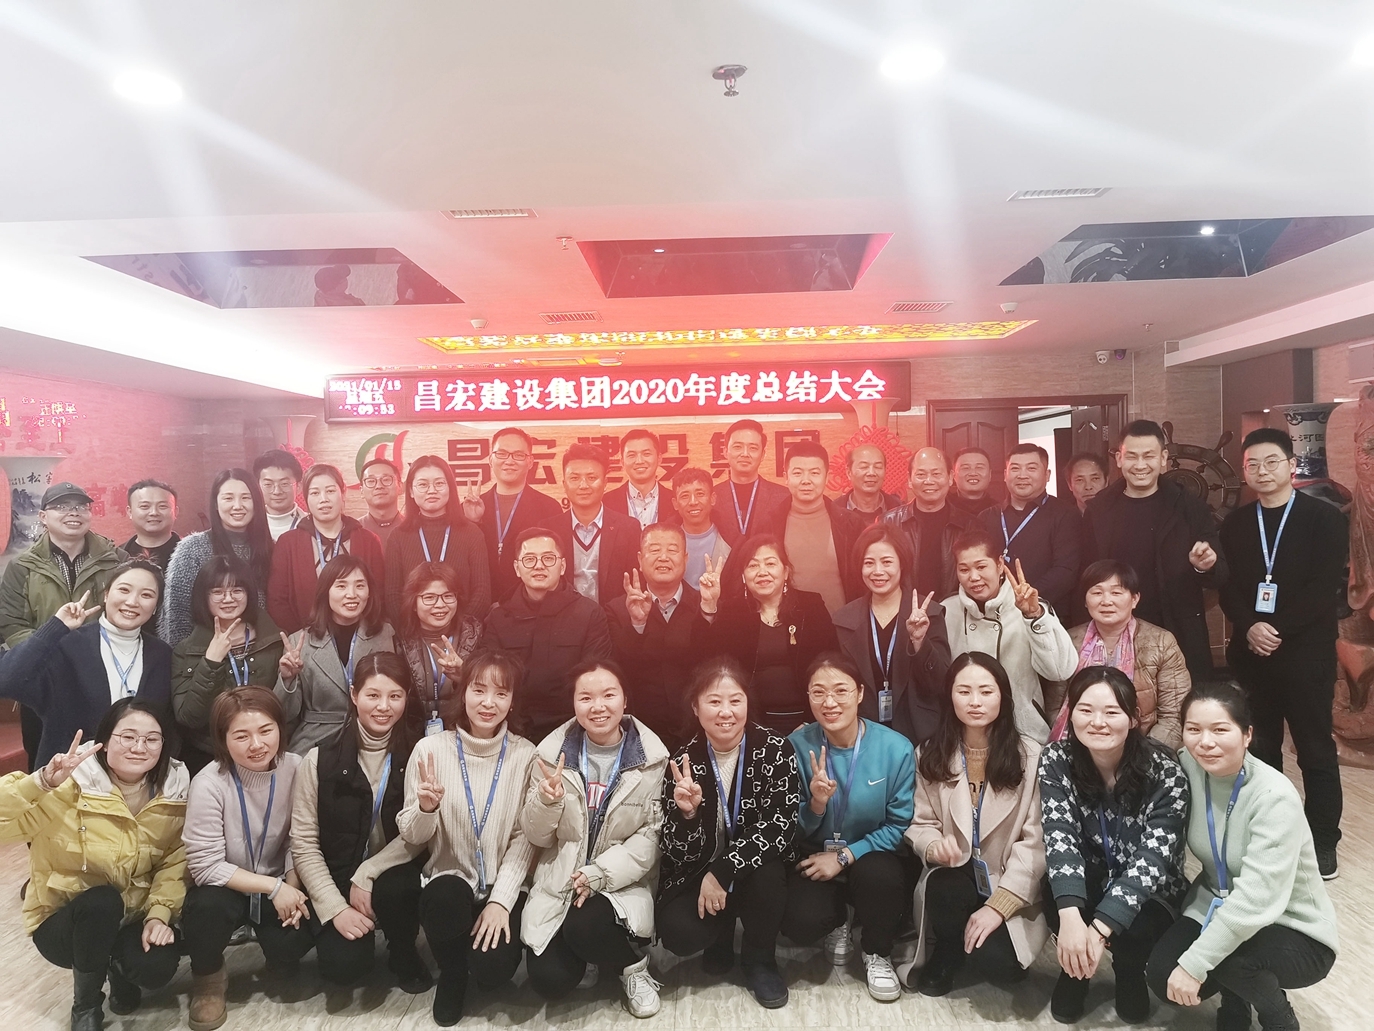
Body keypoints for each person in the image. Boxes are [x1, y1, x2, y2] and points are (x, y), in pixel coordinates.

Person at [1146, 682, 1339, 1031]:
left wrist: (1195, 964)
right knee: (1162, 974)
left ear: (1247, 734)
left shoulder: (1274, 796)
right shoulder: (1188, 766)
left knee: (1227, 961)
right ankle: (1235, 999)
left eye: (1220, 730)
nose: (1205, 742)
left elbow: (1255, 897)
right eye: (1194, 729)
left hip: (1289, 921)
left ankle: (1278, 1017)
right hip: (1215, 902)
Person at [0, 699, 188, 1031]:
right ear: (104, 740)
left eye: (151, 739)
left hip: (132, 916)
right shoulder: (69, 786)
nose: (139, 747)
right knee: (102, 901)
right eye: (127, 737)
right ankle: (86, 1006)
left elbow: (174, 862)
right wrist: (41, 783)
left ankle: (117, 967)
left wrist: (159, 914)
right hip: (66, 921)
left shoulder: (173, 793)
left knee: (157, 966)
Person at [1219, 427, 1348, 879]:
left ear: (1291, 465)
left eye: (1271, 461)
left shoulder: (1323, 518)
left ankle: (1323, 841)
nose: (1262, 470)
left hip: (1306, 653)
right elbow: (1227, 587)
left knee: (1314, 748)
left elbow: (1325, 586)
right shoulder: (1236, 523)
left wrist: (1275, 628)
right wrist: (1249, 626)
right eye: (1252, 464)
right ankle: (1272, 834)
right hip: (1252, 653)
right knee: (1260, 748)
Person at [1039, 665, 1189, 1024]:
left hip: (1149, 890)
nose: (1097, 722)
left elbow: (1151, 862)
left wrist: (1098, 931)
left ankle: (1128, 968)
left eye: (1111, 712)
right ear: (1070, 713)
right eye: (1085, 710)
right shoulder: (1056, 760)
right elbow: (1060, 838)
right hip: (1089, 876)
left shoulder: (1165, 772)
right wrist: (1071, 920)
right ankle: (1075, 969)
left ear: (1134, 717)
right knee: (1054, 890)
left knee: (1138, 925)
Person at [519, 660, 669, 1017]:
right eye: (585, 697)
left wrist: (599, 873)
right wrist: (547, 801)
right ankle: (590, 951)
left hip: (620, 881)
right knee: (549, 981)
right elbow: (536, 836)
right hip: (562, 881)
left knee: (587, 925)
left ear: (625, 700)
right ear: (573, 703)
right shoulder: (548, 756)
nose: (598, 706)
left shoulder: (652, 759)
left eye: (608, 695)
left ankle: (632, 968)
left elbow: (651, 836)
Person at [398, 652, 539, 1025]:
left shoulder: (525, 755)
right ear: (463, 694)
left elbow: (525, 839)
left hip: (501, 884)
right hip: (450, 880)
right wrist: (426, 808)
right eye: (479, 690)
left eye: (501, 693)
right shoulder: (430, 750)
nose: (488, 702)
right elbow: (411, 834)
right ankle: (453, 973)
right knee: (443, 899)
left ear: (512, 701)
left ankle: (478, 956)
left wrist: (501, 901)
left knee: (494, 970)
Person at [656, 658, 799, 1008]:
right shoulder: (683, 761)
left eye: (736, 700)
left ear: (748, 703)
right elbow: (676, 851)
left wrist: (724, 869)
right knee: (677, 931)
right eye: (714, 701)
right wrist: (688, 815)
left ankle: (760, 960)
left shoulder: (775, 749)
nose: (726, 712)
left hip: (754, 870)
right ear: (696, 707)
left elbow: (780, 826)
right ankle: (719, 939)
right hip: (702, 870)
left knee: (768, 874)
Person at [905, 653, 1047, 997]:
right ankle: (947, 949)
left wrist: (999, 907)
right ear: (949, 696)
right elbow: (921, 821)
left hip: (1006, 878)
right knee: (945, 885)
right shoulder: (930, 753)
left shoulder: (1031, 756)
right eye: (964, 691)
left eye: (986, 691)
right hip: (956, 873)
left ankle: (980, 933)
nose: (975, 702)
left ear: (1003, 696)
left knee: (1002, 966)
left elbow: (1035, 843)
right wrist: (933, 845)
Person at [290, 652, 431, 992]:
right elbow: (304, 843)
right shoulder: (318, 759)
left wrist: (368, 872)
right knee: (344, 968)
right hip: (338, 874)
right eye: (373, 695)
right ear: (354, 695)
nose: (384, 706)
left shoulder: (421, 754)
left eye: (395, 696)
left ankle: (402, 949)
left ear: (406, 698)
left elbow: (420, 834)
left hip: (393, 871)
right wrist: (335, 908)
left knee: (400, 886)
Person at [781, 653, 916, 1003]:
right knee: (799, 922)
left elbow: (898, 825)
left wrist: (844, 857)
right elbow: (788, 827)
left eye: (841, 691)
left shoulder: (895, 748)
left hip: (871, 854)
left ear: (859, 693)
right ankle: (839, 918)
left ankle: (877, 952)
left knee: (882, 877)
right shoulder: (796, 747)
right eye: (818, 692)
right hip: (814, 853)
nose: (829, 702)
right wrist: (816, 805)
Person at [182, 687, 313, 1031]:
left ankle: (278, 956)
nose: (257, 744)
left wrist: (292, 888)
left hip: (279, 880)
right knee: (206, 910)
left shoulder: (296, 767)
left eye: (266, 730)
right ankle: (208, 979)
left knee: (294, 940)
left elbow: (299, 838)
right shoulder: (209, 782)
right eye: (241, 735)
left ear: (281, 728)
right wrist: (273, 888)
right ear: (222, 739)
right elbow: (205, 866)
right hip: (225, 887)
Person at [1082, 420, 1226, 679]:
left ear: (1163, 459)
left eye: (1148, 456)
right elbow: (1086, 575)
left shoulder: (1189, 507)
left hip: (1177, 628)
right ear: (1119, 459)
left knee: (1180, 699)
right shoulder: (1098, 509)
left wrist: (1204, 566)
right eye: (1132, 456)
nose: (1140, 465)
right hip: (1113, 630)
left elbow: (1221, 574)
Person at [0, 480, 127, 770]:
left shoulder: (115, 560)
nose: (73, 513)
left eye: (81, 507)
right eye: (62, 507)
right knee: (44, 757)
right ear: (43, 516)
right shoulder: (22, 566)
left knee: (106, 754)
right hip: (42, 679)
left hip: (104, 673)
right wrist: (49, 660)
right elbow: (12, 624)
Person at [0, 559, 172, 770]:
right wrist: (55, 627)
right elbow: (6, 681)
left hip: (137, 778)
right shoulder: (67, 644)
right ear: (106, 594)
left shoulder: (162, 654)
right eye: (124, 590)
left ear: (156, 607)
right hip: (69, 777)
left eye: (146, 595)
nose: (132, 601)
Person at [943, 528, 1077, 742]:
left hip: (1023, 732)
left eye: (981, 567)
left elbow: (1060, 670)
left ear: (999, 564)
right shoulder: (947, 611)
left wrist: (1034, 616)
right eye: (964, 569)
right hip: (964, 733)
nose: (974, 577)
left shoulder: (1031, 607)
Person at [479, 528, 612, 743]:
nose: (539, 566)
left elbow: (595, 679)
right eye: (529, 559)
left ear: (563, 566)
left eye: (548, 558)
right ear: (517, 568)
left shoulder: (590, 614)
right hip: (512, 728)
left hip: (573, 729)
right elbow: (491, 675)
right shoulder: (499, 617)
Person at [832, 524, 950, 747]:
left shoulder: (929, 613)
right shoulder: (844, 619)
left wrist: (920, 642)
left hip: (919, 733)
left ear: (902, 564)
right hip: (862, 732)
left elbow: (940, 684)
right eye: (869, 563)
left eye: (887, 562)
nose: (878, 571)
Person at [605, 523, 720, 747]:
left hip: (698, 729)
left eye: (672, 550)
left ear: (685, 558)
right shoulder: (617, 609)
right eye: (655, 550)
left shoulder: (707, 603)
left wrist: (708, 611)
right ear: (640, 560)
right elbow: (619, 670)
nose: (664, 557)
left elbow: (713, 663)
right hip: (637, 731)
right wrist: (637, 624)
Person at [710, 535, 838, 736]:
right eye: (753, 565)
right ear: (743, 575)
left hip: (810, 720)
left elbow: (832, 664)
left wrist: (811, 722)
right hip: (749, 724)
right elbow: (712, 665)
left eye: (770, 563)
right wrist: (709, 606)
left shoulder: (810, 606)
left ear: (785, 571)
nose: (762, 572)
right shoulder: (732, 612)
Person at [1054, 560, 1189, 749]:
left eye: (1116, 593)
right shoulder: (1067, 640)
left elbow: (1173, 716)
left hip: (1144, 749)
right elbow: (1054, 708)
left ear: (1134, 599)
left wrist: (1143, 756)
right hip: (1077, 747)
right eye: (1097, 592)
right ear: (1085, 601)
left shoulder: (1162, 642)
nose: (1106, 601)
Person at [274, 554, 396, 755]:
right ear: (326, 592)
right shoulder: (298, 641)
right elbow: (282, 715)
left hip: (373, 737)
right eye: (341, 586)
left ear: (369, 592)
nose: (352, 594)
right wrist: (288, 679)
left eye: (360, 585)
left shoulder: (386, 634)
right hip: (317, 740)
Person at [172, 557, 284, 773]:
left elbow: (286, 710)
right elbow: (188, 717)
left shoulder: (275, 640)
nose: (228, 599)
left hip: (265, 750)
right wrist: (211, 662)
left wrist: (289, 679)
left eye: (237, 590)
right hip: (211, 755)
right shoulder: (186, 650)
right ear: (204, 597)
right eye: (217, 592)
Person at [267, 463, 385, 635]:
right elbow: (277, 600)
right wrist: (302, 637)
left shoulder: (368, 540)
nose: (323, 499)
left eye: (330, 491)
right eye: (315, 493)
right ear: (306, 499)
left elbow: (378, 593)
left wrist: (364, 633)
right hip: (306, 638)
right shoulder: (288, 543)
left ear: (343, 494)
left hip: (360, 637)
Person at [160, 468, 273, 646]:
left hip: (260, 655)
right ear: (215, 503)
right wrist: (186, 660)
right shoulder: (193, 549)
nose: (238, 506)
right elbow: (178, 617)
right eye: (228, 498)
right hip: (206, 656)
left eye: (246, 498)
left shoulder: (268, 548)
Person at [759, 441, 865, 614]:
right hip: (786, 622)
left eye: (814, 473)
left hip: (841, 624)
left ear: (827, 477)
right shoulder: (769, 525)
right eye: (797, 473)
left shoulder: (851, 524)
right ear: (786, 477)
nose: (806, 481)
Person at [385, 455, 491, 625]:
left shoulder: (472, 533)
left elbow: (482, 592)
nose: (432, 490)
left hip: (463, 633)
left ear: (450, 487)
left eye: (439, 483)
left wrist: (460, 631)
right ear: (411, 491)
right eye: (423, 484)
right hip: (411, 633)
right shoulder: (398, 536)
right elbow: (392, 595)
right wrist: (412, 632)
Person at [979, 443, 1082, 617]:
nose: (1022, 475)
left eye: (1031, 468)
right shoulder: (986, 517)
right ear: (1005, 475)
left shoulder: (1066, 515)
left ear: (1047, 475)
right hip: (992, 613)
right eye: (1015, 468)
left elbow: (1065, 571)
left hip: (1045, 613)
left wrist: (1025, 600)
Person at [476, 427, 564, 606]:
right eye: (502, 454)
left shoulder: (549, 507)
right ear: (490, 460)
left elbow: (553, 564)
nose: (509, 461)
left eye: (518, 455)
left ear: (530, 461)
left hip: (531, 606)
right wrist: (473, 521)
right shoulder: (473, 508)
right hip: (481, 606)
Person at [882, 446, 980, 600]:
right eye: (921, 474)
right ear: (909, 479)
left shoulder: (970, 525)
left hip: (955, 609)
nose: (929, 481)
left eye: (936, 474)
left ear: (950, 477)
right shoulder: (888, 522)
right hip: (903, 609)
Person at [396, 562, 483, 733]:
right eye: (429, 597)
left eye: (448, 596)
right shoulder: (399, 640)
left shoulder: (476, 636)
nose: (440, 605)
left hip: (465, 731)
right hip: (412, 734)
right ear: (413, 603)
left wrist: (465, 676)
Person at [557, 443, 641, 606]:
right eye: (574, 478)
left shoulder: (628, 528)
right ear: (564, 483)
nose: (583, 485)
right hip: (562, 618)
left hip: (614, 618)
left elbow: (634, 582)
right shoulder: (549, 529)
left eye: (592, 478)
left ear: (605, 482)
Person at [713, 419, 790, 545]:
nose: (745, 454)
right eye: (738, 447)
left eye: (753, 448)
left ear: (763, 454)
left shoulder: (783, 497)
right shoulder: (712, 497)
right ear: (725, 452)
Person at [606, 429, 679, 528]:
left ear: (659, 458)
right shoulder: (606, 502)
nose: (639, 461)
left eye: (646, 454)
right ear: (622, 462)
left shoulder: (675, 501)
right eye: (632, 455)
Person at [671, 466, 732, 585]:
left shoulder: (731, 542)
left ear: (712, 499)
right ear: (675, 504)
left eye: (700, 494)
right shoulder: (665, 542)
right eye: (685, 496)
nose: (693, 502)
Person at [122, 480, 180, 570]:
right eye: (145, 506)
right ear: (130, 512)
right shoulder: (116, 557)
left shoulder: (193, 554)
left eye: (162, 506)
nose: (154, 512)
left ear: (175, 512)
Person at [837, 444, 901, 524]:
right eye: (864, 467)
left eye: (878, 467)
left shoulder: (899, 511)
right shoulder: (834, 512)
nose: (871, 473)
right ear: (849, 472)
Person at [254, 448, 306, 542]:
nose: (277, 491)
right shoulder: (249, 525)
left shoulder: (311, 526)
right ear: (258, 487)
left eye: (284, 484)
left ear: (298, 486)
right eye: (268, 484)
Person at [358, 457, 403, 547]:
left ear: (400, 487)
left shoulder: (415, 528)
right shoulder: (353, 531)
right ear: (362, 491)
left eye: (386, 479)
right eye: (371, 481)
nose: (379, 486)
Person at [950, 447, 996, 516]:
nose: (973, 473)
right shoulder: (943, 508)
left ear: (990, 474)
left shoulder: (999, 512)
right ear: (953, 475)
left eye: (979, 467)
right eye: (966, 468)